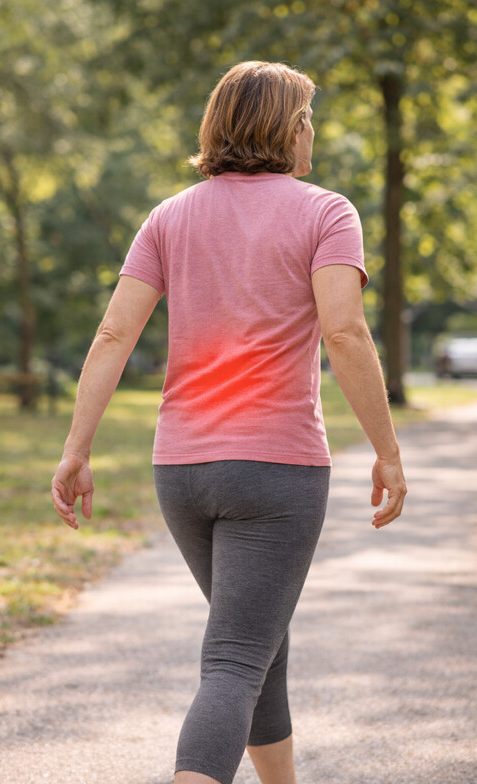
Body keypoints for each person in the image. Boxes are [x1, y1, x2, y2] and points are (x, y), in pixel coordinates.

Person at [52, 61, 407, 784]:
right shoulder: (327, 213)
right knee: (237, 658)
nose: (312, 133)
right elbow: (344, 332)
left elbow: (113, 335)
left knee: (256, 643)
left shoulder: (169, 216)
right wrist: (387, 452)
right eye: (307, 120)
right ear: (286, 128)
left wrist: (75, 450)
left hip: (181, 471)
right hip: (276, 470)